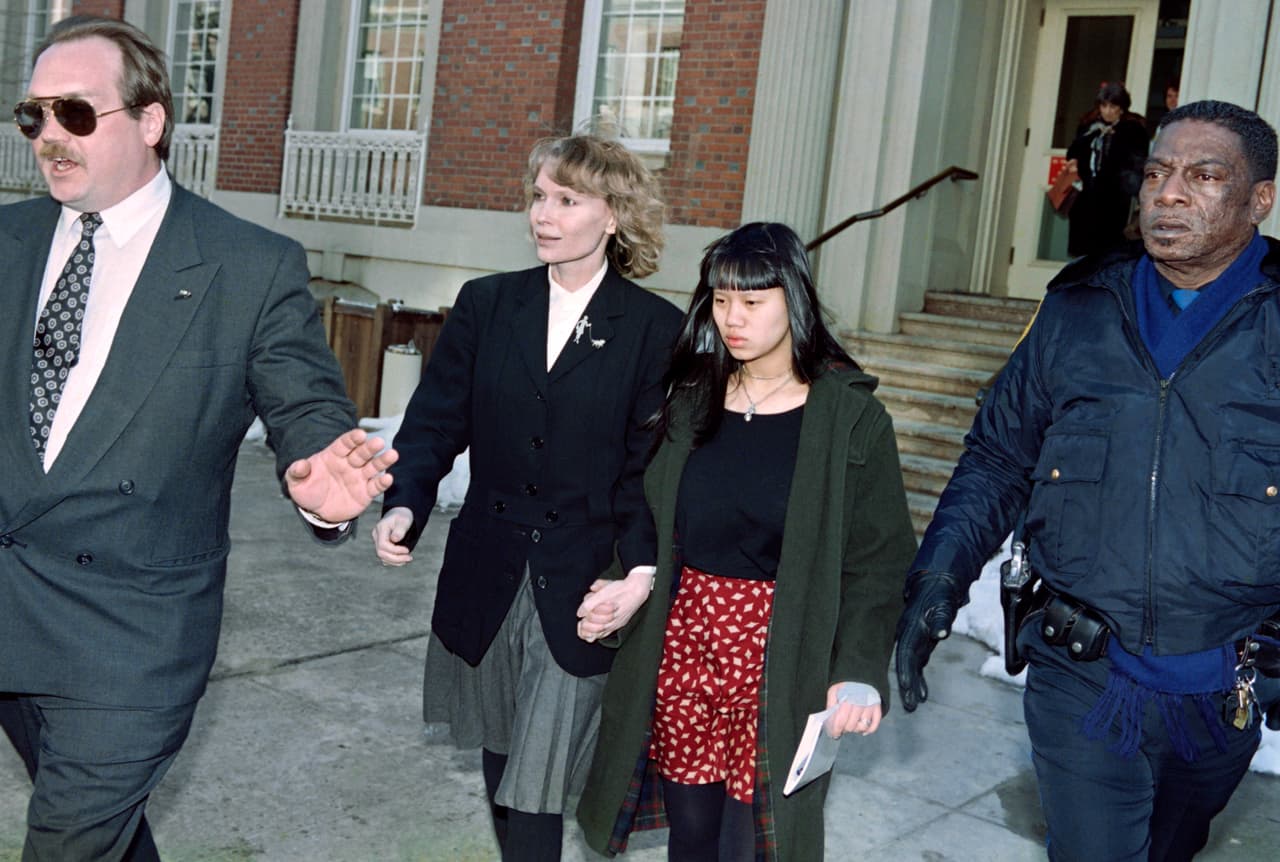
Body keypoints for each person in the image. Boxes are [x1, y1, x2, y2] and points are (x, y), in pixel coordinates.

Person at [0, 15, 396, 862]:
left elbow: (305, 404)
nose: (48, 138)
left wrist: (324, 474)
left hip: (127, 636)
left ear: (151, 122)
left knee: (70, 841)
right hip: (8, 598)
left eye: (75, 113)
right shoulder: (5, 243)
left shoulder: (246, 263)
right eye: (33, 116)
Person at [895, 99, 1280, 861]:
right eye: (1158, 173)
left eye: (1203, 176)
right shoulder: (1078, 305)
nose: (1169, 194)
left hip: (1223, 683)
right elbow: (999, 456)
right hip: (1084, 671)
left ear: (1257, 199)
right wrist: (937, 577)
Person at [371, 134, 681, 861]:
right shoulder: (488, 305)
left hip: (580, 583)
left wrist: (637, 572)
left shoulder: (653, 330)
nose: (544, 214)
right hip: (489, 566)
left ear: (613, 217)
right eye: (539, 197)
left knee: (538, 782)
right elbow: (437, 419)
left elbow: (650, 470)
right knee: (503, 755)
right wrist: (406, 502)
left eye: (567, 200)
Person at [576, 222, 917, 860]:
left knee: (750, 842)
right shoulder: (691, 400)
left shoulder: (849, 420)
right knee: (693, 832)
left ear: (794, 300)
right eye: (720, 299)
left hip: (780, 651)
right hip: (683, 643)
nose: (732, 318)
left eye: (753, 302)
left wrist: (857, 670)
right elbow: (652, 512)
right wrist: (631, 581)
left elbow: (879, 563)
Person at [1065, 82, 1149, 257]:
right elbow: (1074, 150)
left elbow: (1137, 163)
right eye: (1104, 106)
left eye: (1113, 106)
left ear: (1122, 108)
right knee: (1084, 251)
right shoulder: (1089, 126)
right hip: (1087, 195)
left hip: (1115, 199)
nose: (1108, 111)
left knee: (1109, 251)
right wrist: (1074, 161)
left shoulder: (1132, 129)